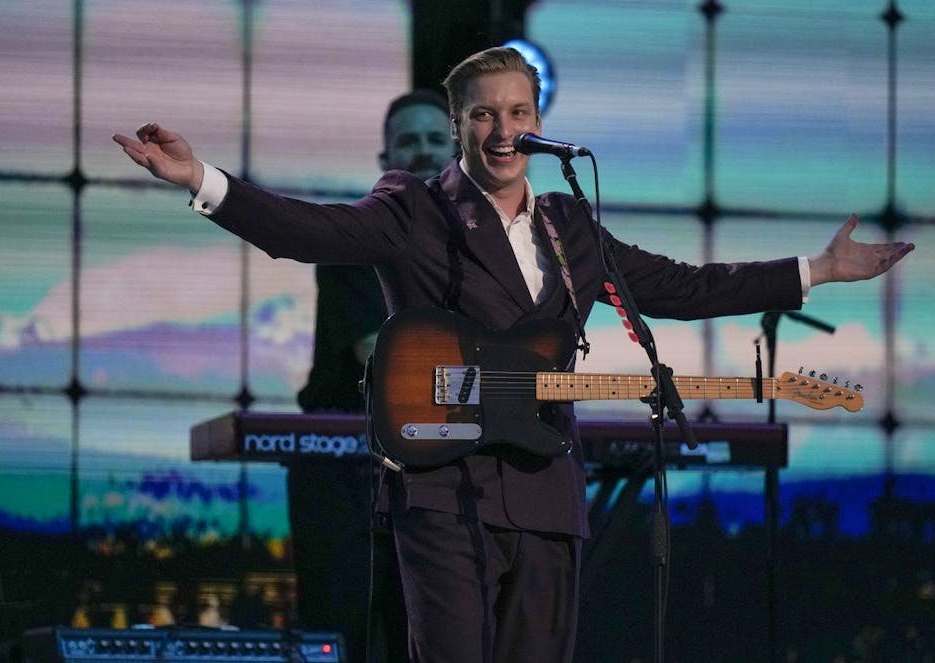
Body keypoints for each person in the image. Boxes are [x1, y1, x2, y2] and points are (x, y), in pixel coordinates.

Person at [113, 46, 913, 663]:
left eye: (518, 112)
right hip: (441, 487)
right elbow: (308, 231)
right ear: (457, 125)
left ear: (538, 119)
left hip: (544, 488)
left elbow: (685, 285)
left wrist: (814, 270)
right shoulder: (414, 207)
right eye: (484, 115)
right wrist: (203, 180)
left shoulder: (571, 226)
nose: (503, 130)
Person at [288, 89, 455, 663]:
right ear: (386, 159)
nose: (424, 151)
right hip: (347, 472)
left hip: (433, 468)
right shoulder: (353, 238)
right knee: (344, 636)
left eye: (435, 139)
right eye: (409, 141)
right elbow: (383, 361)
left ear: (457, 152)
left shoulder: (479, 249)